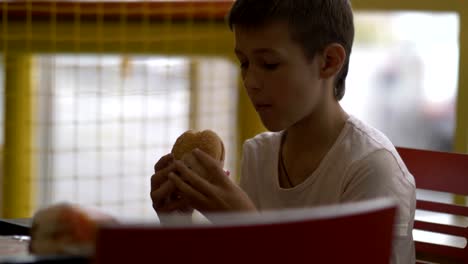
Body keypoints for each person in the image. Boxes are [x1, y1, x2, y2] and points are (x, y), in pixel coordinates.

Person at [150, 0, 416, 263]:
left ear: (328, 62)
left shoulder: (370, 169)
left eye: (269, 64)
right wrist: (179, 225)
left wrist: (246, 223)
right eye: (244, 63)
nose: (250, 82)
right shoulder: (259, 155)